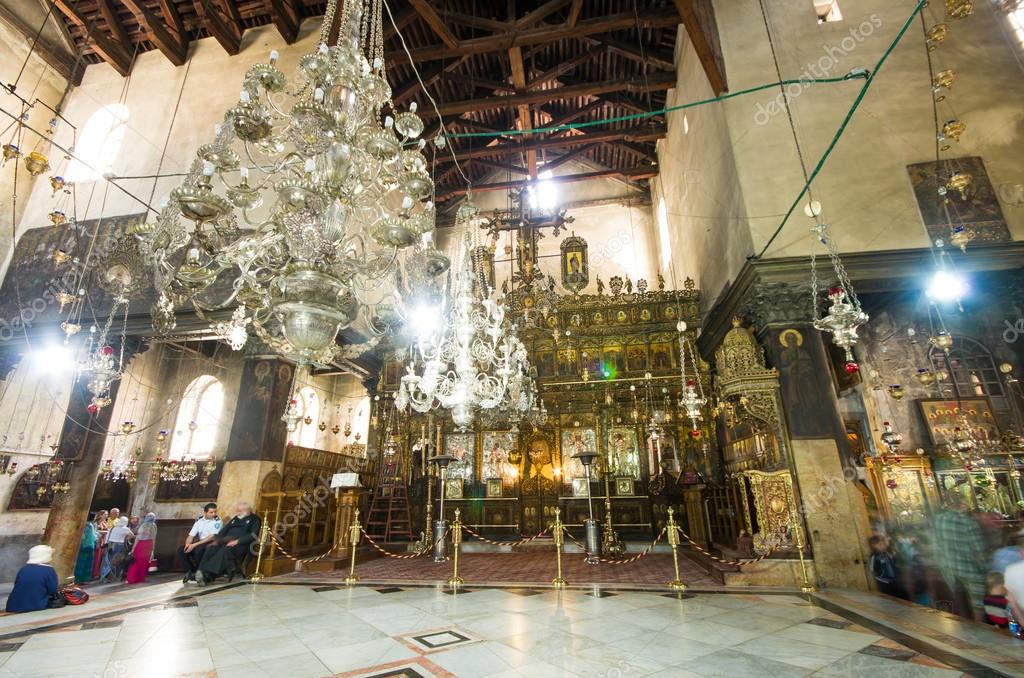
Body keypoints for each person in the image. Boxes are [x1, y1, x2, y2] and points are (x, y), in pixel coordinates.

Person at [933, 496, 989, 620]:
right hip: (970, 569)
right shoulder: (968, 522)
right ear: (962, 505)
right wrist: (986, 570)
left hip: (949, 567)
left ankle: (963, 628)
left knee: (959, 599)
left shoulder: (938, 520)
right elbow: (979, 550)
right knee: (977, 606)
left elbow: (937, 543)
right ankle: (979, 630)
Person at [195, 503, 261, 586]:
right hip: (225, 541)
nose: (237, 512)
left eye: (239, 511)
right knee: (211, 548)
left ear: (246, 511)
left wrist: (237, 541)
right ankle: (201, 573)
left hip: (241, 545)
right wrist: (217, 540)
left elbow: (253, 535)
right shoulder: (236, 518)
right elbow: (224, 530)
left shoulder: (255, 519)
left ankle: (205, 573)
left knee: (225, 550)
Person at [5, 545, 59, 613]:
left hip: (12, 606)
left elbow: (17, 584)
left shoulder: (24, 569)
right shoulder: (48, 570)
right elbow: (53, 590)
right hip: (35, 606)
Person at [179, 503, 221, 583]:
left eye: (215, 512)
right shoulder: (199, 521)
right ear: (205, 513)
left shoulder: (217, 521)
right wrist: (188, 544)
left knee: (199, 549)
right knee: (181, 550)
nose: (214, 514)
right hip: (201, 541)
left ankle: (200, 573)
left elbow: (212, 537)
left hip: (211, 542)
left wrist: (194, 545)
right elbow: (191, 536)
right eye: (211, 512)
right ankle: (190, 571)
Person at [125, 513, 158, 584]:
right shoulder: (154, 526)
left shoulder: (143, 525)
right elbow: (154, 538)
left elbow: (137, 538)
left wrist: (132, 549)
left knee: (135, 562)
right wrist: (153, 549)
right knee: (144, 563)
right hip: (149, 545)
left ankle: (132, 579)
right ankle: (140, 579)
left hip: (141, 545)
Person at [101, 517, 134, 582]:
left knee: (108, 561)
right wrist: (125, 538)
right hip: (119, 546)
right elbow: (132, 536)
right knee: (117, 561)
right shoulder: (125, 529)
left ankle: (104, 577)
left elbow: (107, 536)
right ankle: (114, 577)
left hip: (110, 545)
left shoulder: (112, 528)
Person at [74, 513, 99, 584]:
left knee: (80, 562)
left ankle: (77, 579)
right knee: (87, 563)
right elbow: (93, 536)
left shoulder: (82, 524)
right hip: (89, 546)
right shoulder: (90, 525)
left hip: (81, 545)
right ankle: (84, 580)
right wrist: (98, 535)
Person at [91, 510, 109, 579]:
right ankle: (93, 573)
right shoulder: (96, 522)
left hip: (103, 540)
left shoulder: (105, 523)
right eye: (105, 514)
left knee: (100, 557)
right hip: (97, 540)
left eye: (107, 514)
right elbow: (94, 531)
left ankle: (97, 572)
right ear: (100, 515)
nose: (106, 516)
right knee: (96, 557)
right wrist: (103, 532)